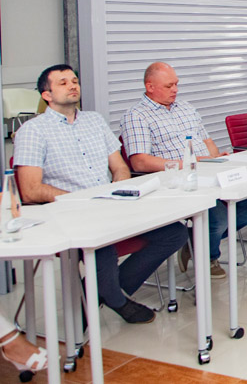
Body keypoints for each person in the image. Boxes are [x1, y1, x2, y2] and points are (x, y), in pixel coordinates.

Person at [14, 65, 186, 324]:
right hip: (69, 212)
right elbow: (30, 190)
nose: (73, 85)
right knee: (101, 243)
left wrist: (119, 191)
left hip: (109, 205)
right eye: (63, 83)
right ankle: (118, 301)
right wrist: (80, 201)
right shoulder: (33, 130)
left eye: (74, 80)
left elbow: (119, 167)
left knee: (175, 233)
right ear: (46, 95)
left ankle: (97, 293)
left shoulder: (94, 120)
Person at [120, 62, 247, 279]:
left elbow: (207, 141)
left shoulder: (186, 107)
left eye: (176, 84)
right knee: (217, 217)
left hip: (208, 173)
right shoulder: (136, 115)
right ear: (150, 87)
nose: (175, 90)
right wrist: (191, 163)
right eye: (169, 86)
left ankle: (195, 239)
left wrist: (215, 158)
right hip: (178, 182)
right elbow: (140, 162)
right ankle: (208, 255)